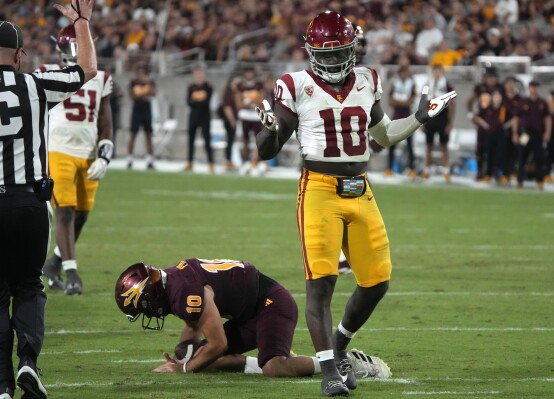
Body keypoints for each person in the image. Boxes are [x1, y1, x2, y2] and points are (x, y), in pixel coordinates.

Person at [254, 11, 455, 397]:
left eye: (338, 53)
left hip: (360, 188)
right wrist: (267, 131)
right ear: (311, 52)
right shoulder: (293, 84)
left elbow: (384, 134)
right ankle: (329, 370)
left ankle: (340, 345)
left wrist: (417, 118)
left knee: (377, 281)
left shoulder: (367, 79)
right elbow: (268, 150)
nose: (330, 61)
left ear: (352, 49)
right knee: (321, 286)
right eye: (323, 55)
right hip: (318, 190)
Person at [0, 1, 97, 397]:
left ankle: (3, 385)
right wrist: (82, 22)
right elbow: (87, 71)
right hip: (29, 205)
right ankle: (28, 361)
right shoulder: (35, 84)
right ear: (20, 54)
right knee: (28, 287)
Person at [114, 259, 391, 379]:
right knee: (197, 357)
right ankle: (279, 359)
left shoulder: (182, 290)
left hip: (271, 303)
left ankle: (343, 363)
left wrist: (185, 369)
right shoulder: (173, 283)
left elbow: (218, 342)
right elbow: (193, 323)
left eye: (144, 307)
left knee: (274, 368)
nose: (148, 313)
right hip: (249, 311)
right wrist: (184, 357)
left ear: (150, 293)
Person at [39, 23, 114, 296]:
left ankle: (54, 263)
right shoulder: (47, 73)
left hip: (87, 152)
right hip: (58, 149)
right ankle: (71, 272)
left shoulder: (102, 78)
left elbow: (106, 123)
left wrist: (105, 156)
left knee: (81, 214)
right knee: (66, 211)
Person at [420, 64, 456, 182]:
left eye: (438, 71)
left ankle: (446, 171)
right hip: (430, 117)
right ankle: (427, 169)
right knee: (428, 145)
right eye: (435, 71)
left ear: (441, 72)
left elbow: (452, 103)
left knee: (443, 145)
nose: (436, 73)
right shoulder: (428, 84)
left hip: (442, 118)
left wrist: (450, 122)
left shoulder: (446, 84)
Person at [467, 66, 503, 180]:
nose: (491, 80)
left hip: (495, 123)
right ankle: (479, 171)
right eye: (489, 77)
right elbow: (469, 101)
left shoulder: (499, 88)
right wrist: (471, 115)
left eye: (493, 77)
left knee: (495, 149)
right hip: (482, 121)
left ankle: (493, 171)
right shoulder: (480, 88)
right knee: (480, 148)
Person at [513, 81, 551, 190]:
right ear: (529, 88)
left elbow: (547, 119)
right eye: (532, 87)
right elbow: (516, 118)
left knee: (539, 157)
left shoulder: (542, 103)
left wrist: (547, 132)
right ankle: (519, 180)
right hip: (525, 134)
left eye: (536, 87)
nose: (534, 89)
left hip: (537, 134)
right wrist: (515, 133)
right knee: (522, 156)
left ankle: (540, 181)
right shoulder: (523, 102)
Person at [387, 65, 417, 178]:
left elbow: (411, 101)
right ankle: (389, 168)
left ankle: (412, 169)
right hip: (397, 115)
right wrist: (404, 102)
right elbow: (390, 101)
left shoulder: (411, 83)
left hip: (407, 116)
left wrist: (399, 102)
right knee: (392, 143)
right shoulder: (395, 83)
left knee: (410, 144)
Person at [184, 66, 213, 172]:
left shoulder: (208, 87)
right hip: (193, 116)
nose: (199, 76)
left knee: (207, 140)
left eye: (201, 73)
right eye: (197, 73)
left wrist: (196, 98)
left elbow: (207, 102)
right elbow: (189, 102)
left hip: (205, 117)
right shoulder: (191, 87)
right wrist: (196, 98)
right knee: (191, 140)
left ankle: (210, 163)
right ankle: (190, 162)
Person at [126, 62, 155, 170]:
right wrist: (144, 92)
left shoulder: (150, 82)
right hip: (137, 109)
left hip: (146, 110)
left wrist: (146, 88)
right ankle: (129, 159)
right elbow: (134, 96)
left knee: (149, 135)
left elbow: (153, 93)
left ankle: (149, 159)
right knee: (133, 134)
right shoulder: (134, 82)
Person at [218, 75, 241, 171]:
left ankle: (230, 160)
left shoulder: (236, 94)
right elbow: (227, 108)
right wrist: (232, 120)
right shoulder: (228, 94)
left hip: (234, 120)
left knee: (231, 140)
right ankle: (228, 160)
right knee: (230, 140)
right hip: (229, 121)